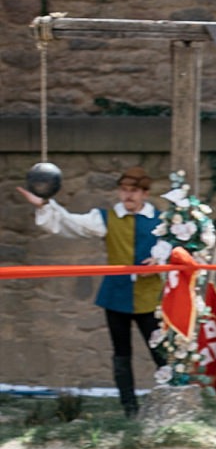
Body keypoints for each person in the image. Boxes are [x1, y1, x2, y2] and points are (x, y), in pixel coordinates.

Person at [18, 166, 169, 417]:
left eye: (134, 191)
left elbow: (181, 249)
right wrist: (44, 204)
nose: (128, 196)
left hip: (150, 298)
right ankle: (130, 409)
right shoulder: (106, 218)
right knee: (121, 354)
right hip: (116, 296)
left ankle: (170, 404)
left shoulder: (162, 222)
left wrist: (161, 262)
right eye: (124, 190)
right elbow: (70, 223)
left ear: (145, 193)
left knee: (161, 353)